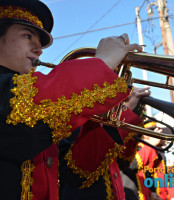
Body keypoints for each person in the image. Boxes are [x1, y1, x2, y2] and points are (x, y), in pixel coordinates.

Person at [0, 0, 145, 199]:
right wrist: (100, 65)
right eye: (27, 35)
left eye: (40, 44)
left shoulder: (49, 102)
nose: (39, 49)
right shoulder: (22, 94)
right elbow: (26, 107)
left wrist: (104, 115)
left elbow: (78, 173)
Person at [120, 121, 165, 200]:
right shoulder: (136, 147)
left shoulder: (147, 150)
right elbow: (132, 165)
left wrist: (150, 193)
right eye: (152, 132)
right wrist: (151, 145)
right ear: (144, 134)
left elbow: (145, 176)